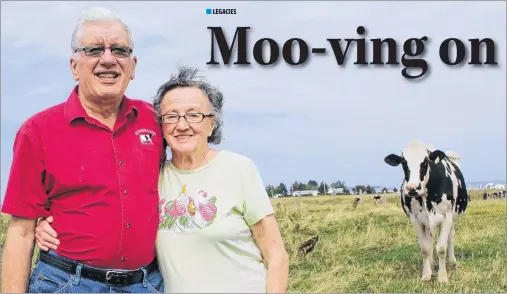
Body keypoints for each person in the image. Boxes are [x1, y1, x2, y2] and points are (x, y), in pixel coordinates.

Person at [35, 65, 290, 293]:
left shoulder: (240, 170)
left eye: (194, 115)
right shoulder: (153, 178)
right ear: (160, 126)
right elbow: (112, 210)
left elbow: (276, 254)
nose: (182, 125)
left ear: (212, 124)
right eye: (171, 116)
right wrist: (47, 222)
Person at [1, 7, 164, 293]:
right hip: (67, 283)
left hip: (145, 284)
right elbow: (21, 231)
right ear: (74, 66)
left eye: (120, 50)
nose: (109, 59)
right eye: (94, 50)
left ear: (133, 66)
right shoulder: (37, 131)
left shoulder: (156, 120)